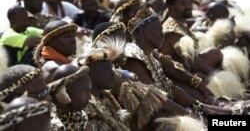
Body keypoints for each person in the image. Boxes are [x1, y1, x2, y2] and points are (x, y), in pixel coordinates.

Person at [76, 22, 207, 131]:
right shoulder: (112, 67)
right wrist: (190, 113)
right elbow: (150, 96)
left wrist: (200, 106)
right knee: (162, 120)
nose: (125, 44)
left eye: (125, 39)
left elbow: (168, 84)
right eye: (120, 40)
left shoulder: (124, 62)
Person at [48, 64, 91, 130]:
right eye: (85, 92)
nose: (89, 98)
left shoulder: (79, 116)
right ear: (65, 91)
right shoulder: (46, 121)